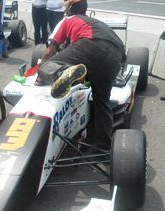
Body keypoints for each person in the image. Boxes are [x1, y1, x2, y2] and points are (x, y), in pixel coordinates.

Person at [37, 14, 126, 150]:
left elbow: (51, 50)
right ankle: (103, 145)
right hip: (117, 55)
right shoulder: (93, 22)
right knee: (101, 101)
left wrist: (41, 73)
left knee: (45, 66)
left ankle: (61, 72)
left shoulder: (67, 20)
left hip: (92, 43)